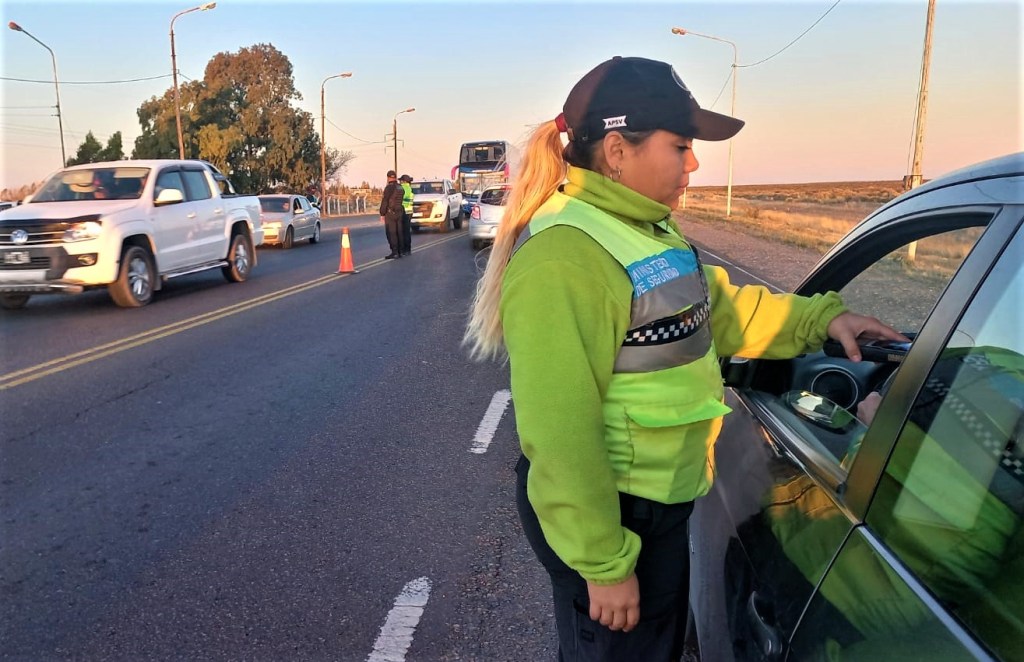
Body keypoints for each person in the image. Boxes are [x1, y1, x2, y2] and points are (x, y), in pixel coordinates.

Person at [463, 56, 907, 662]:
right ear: (617, 150)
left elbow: (722, 314)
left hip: (657, 508)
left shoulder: (650, 233)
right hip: (617, 518)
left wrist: (821, 318)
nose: (693, 163)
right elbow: (561, 432)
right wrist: (605, 563)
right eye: (681, 146)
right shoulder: (567, 254)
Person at [379, 170, 405, 259]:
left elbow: (385, 201)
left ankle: (395, 252)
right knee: (399, 232)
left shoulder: (389, 188)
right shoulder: (400, 187)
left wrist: (382, 213)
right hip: (399, 211)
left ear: (388, 177)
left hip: (391, 212)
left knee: (391, 232)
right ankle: (401, 251)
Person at [399, 174, 414, 255]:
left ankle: (404, 249)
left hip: (404, 211)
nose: (400, 182)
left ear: (404, 181)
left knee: (403, 232)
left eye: (401, 180)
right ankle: (408, 249)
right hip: (409, 211)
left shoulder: (404, 188)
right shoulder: (410, 188)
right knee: (407, 231)